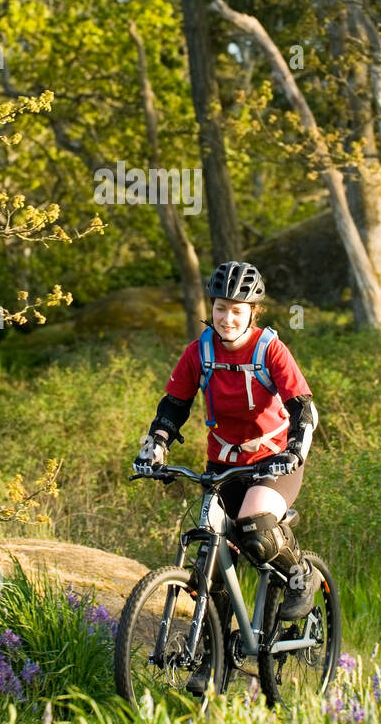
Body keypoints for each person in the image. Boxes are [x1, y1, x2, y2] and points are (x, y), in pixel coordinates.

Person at [132, 260, 319, 694]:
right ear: (211, 308)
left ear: (253, 311)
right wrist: (155, 444)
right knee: (210, 566)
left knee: (255, 527)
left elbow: (304, 410)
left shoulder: (269, 350)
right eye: (220, 308)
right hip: (222, 465)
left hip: (274, 462)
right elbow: (173, 405)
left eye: (237, 309)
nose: (226, 317)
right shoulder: (199, 351)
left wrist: (294, 451)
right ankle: (213, 663)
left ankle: (300, 576)